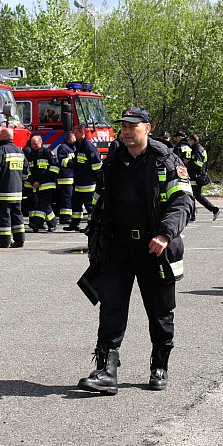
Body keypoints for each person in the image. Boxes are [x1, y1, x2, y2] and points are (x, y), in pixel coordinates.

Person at [78, 107, 194, 394]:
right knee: (111, 306)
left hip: (154, 248)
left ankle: (159, 365)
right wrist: (95, 240)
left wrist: (165, 234)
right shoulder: (114, 159)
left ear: (147, 128)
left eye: (133, 126)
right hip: (118, 246)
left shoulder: (165, 159)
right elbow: (100, 201)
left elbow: (183, 203)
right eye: (124, 127)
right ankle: (106, 369)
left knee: (160, 310)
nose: (127, 131)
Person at [0, 127, 27, 248]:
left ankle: (4, 240)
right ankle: (19, 240)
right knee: (17, 215)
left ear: (5, 137)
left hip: (3, 190)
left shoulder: (1, 150)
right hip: (17, 192)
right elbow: (26, 173)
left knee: (3, 215)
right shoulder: (19, 151)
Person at [64, 124, 102, 232]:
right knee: (76, 205)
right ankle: (74, 224)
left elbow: (97, 165)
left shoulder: (88, 147)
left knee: (89, 207)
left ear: (82, 133)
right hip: (78, 182)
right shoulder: (78, 145)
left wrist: (96, 180)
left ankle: (91, 225)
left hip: (88, 183)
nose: (74, 135)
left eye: (76, 133)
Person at [26, 135, 59, 232]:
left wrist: (42, 180)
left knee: (42, 204)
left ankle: (37, 223)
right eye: (32, 144)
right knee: (45, 205)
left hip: (48, 185)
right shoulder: (30, 155)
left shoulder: (47, 153)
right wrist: (33, 181)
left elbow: (55, 168)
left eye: (35, 144)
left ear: (41, 143)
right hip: (37, 185)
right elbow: (28, 171)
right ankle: (52, 224)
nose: (33, 146)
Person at [186, 133, 220, 220]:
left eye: (189, 140)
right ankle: (214, 209)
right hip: (199, 175)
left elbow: (199, 163)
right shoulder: (199, 148)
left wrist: (189, 162)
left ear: (193, 140)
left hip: (197, 176)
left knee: (192, 195)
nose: (188, 142)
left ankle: (192, 216)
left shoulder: (197, 149)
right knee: (197, 195)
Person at [55, 131, 77, 224]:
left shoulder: (71, 148)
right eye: (74, 138)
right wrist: (75, 162)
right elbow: (63, 162)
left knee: (69, 197)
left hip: (70, 177)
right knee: (66, 198)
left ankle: (67, 215)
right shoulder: (63, 148)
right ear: (71, 138)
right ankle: (65, 217)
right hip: (65, 178)